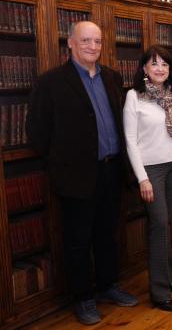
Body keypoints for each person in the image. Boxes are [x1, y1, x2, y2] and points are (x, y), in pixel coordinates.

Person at [26, 21, 138, 325]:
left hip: (112, 170)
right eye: (86, 41)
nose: (93, 46)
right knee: (77, 240)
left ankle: (108, 286)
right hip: (75, 176)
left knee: (107, 234)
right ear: (71, 44)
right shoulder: (51, 82)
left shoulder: (113, 78)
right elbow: (37, 132)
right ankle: (83, 298)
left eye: (97, 41)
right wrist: (62, 160)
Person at [123, 45, 172, 312]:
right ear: (144, 69)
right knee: (160, 223)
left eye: (164, 64)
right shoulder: (134, 97)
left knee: (165, 223)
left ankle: (168, 277)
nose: (160, 68)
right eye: (154, 64)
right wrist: (142, 178)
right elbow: (130, 140)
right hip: (151, 170)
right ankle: (159, 291)